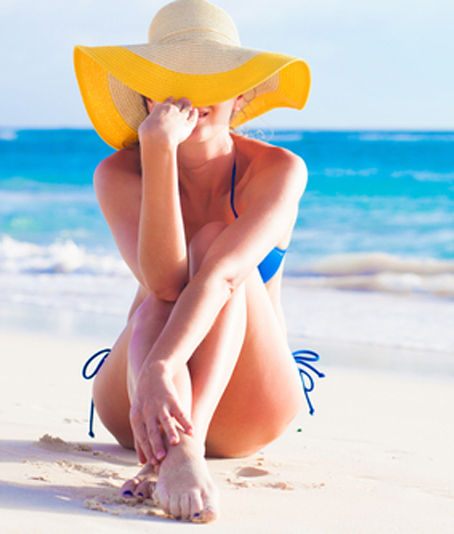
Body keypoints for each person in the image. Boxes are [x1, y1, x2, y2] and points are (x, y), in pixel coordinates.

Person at [73, 0, 312, 523]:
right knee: (165, 293)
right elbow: (163, 282)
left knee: (213, 247)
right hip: (138, 398)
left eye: (209, 77)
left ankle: (184, 448)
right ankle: (178, 451)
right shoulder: (119, 174)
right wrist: (158, 154)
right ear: (145, 93)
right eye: (170, 77)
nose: (188, 94)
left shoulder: (278, 171)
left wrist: (165, 363)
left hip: (251, 399)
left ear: (242, 92)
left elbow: (223, 277)